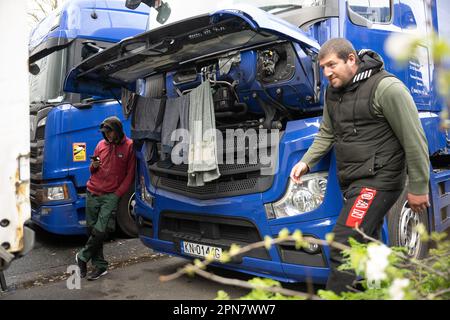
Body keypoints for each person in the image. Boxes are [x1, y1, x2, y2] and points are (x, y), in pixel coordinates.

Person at [290, 38, 430, 293]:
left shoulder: (386, 88)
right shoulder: (333, 93)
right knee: (370, 240)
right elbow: (326, 134)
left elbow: (414, 139)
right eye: (322, 67)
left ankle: (336, 297)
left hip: (380, 180)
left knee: (343, 245)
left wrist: (419, 187)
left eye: (332, 65)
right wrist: (305, 162)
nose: (327, 72)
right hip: (354, 181)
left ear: (351, 60)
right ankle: (379, 291)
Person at [76, 116, 136, 280]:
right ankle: (100, 266)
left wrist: (117, 194)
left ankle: (82, 257)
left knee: (101, 231)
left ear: (117, 130)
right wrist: (93, 166)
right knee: (92, 231)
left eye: (110, 132)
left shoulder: (129, 146)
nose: (107, 136)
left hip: (111, 195)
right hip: (92, 191)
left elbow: (130, 175)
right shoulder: (100, 145)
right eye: (105, 133)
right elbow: (92, 168)